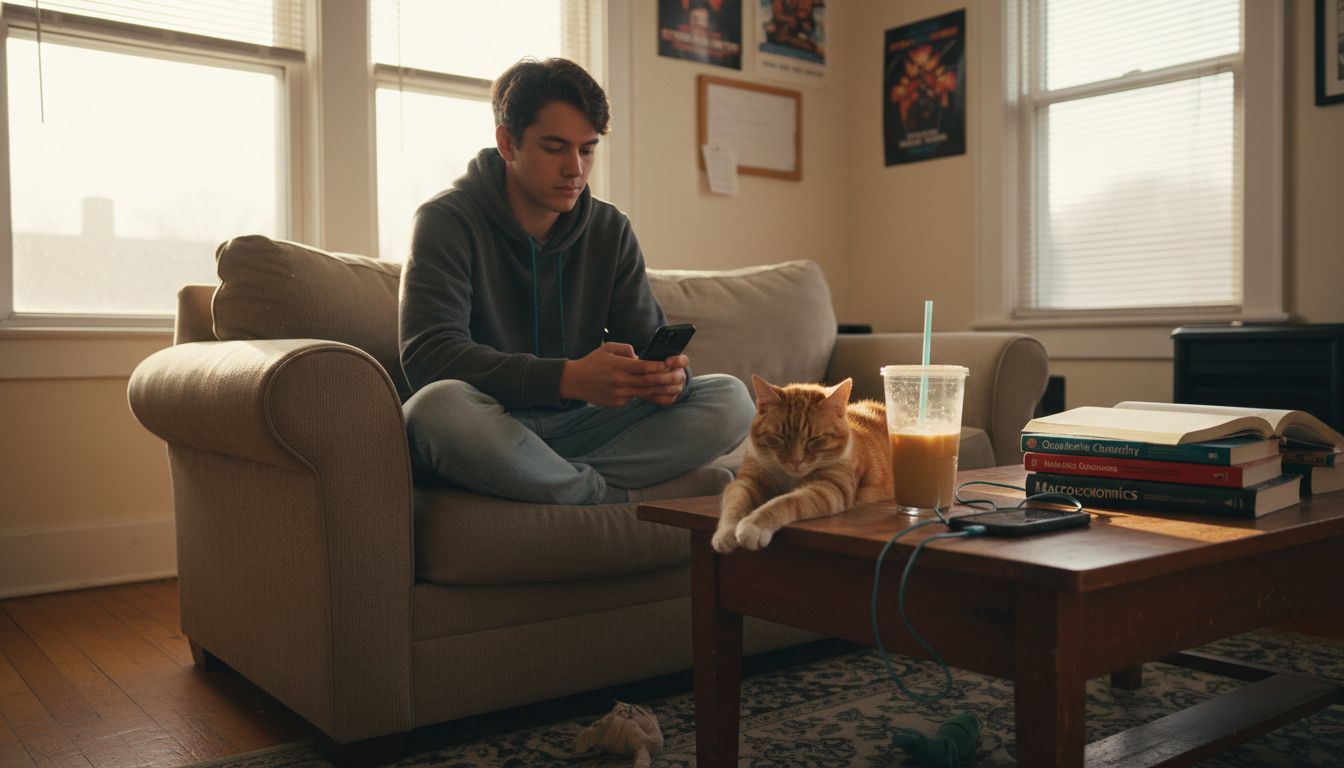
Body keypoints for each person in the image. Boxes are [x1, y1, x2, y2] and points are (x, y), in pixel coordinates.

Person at [399, 57, 755, 505]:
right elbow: (429, 358)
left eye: (586, 150)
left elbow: (646, 345)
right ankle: (605, 495)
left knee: (729, 399)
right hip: (491, 424)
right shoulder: (446, 221)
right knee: (437, 411)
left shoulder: (609, 229)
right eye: (555, 148)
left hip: (583, 428)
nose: (575, 169)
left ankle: (545, 481)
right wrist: (567, 378)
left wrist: (665, 380)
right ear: (507, 143)